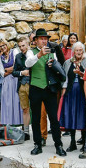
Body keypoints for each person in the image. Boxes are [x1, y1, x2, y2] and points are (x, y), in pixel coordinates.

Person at [24, 29, 67, 157]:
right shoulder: (31, 52)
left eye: (45, 38)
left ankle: (58, 145)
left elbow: (57, 66)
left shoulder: (52, 51)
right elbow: (28, 63)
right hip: (36, 87)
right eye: (41, 38)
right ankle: (37, 144)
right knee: (36, 118)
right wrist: (39, 55)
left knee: (54, 118)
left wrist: (52, 64)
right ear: (36, 40)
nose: (44, 40)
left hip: (49, 88)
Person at [60, 41, 86, 151]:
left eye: (81, 50)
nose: (79, 52)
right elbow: (65, 78)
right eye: (77, 50)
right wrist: (63, 92)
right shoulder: (68, 63)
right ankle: (72, 143)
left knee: (83, 116)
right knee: (71, 116)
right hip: (70, 93)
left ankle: (85, 142)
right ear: (73, 51)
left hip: (82, 93)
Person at [0, 40, 22, 126]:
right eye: (0, 46)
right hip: (6, 80)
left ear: (7, 45)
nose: (3, 47)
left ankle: (17, 122)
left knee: (16, 99)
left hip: (15, 79)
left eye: (4, 45)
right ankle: (8, 122)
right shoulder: (0, 57)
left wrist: (8, 70)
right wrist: (9, 70)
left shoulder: (14, 52)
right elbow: (2, 72)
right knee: (7, 101)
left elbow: (17, 66)